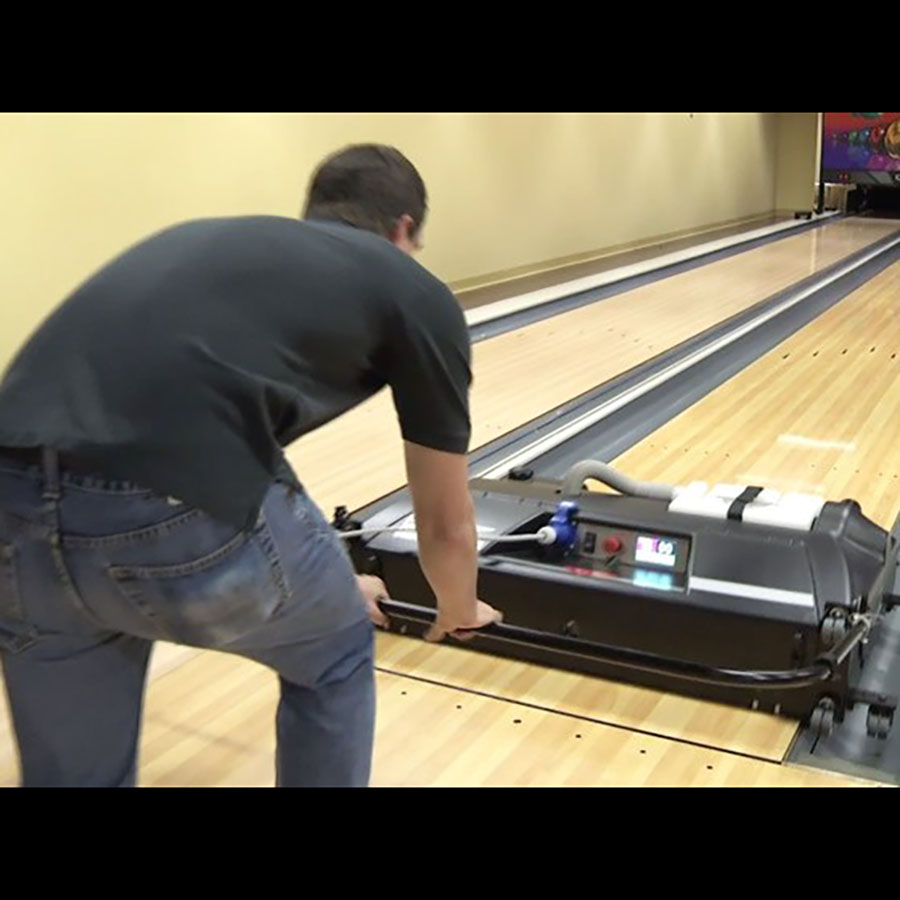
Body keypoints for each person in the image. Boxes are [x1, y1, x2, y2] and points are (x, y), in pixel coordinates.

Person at [0, 143, 502, 788]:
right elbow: (444, 524)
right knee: (337, 654)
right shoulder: (412, 288)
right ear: (404, 229)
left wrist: (324, 578)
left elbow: (234, 440)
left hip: (11, 510)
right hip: (173, 511)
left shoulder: (213, 242)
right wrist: (458, 607)